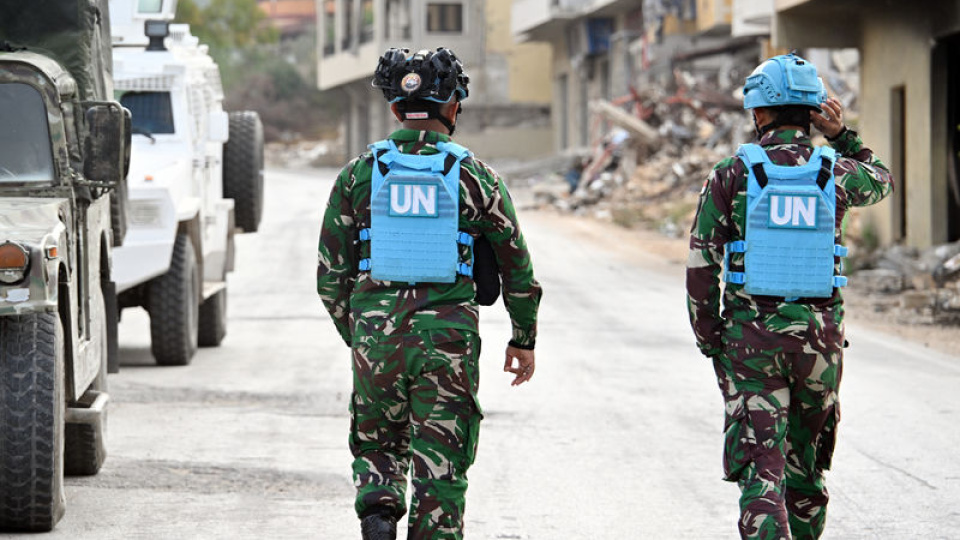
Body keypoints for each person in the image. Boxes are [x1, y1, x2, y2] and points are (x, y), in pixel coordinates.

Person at [317, 47, 542, 540]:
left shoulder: (357, 174)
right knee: (441, 469)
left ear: (394, 107)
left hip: (375, 340)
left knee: (377, 443)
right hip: (447, 344)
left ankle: (378, 511)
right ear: (454, 107)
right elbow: (517, 269)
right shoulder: (477, 177)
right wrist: (523, 338)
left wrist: (360, 333)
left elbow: (331, 275)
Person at [686, 53, 894, 539]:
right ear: (814, 111)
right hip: (820, 346)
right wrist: (844, 136)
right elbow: (882, 180)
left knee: (763, 469)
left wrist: (710, 336)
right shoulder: (836, 171)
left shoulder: (730, 174)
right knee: (805, 469)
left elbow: (701, 264)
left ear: (758, 113)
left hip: (751, 345)